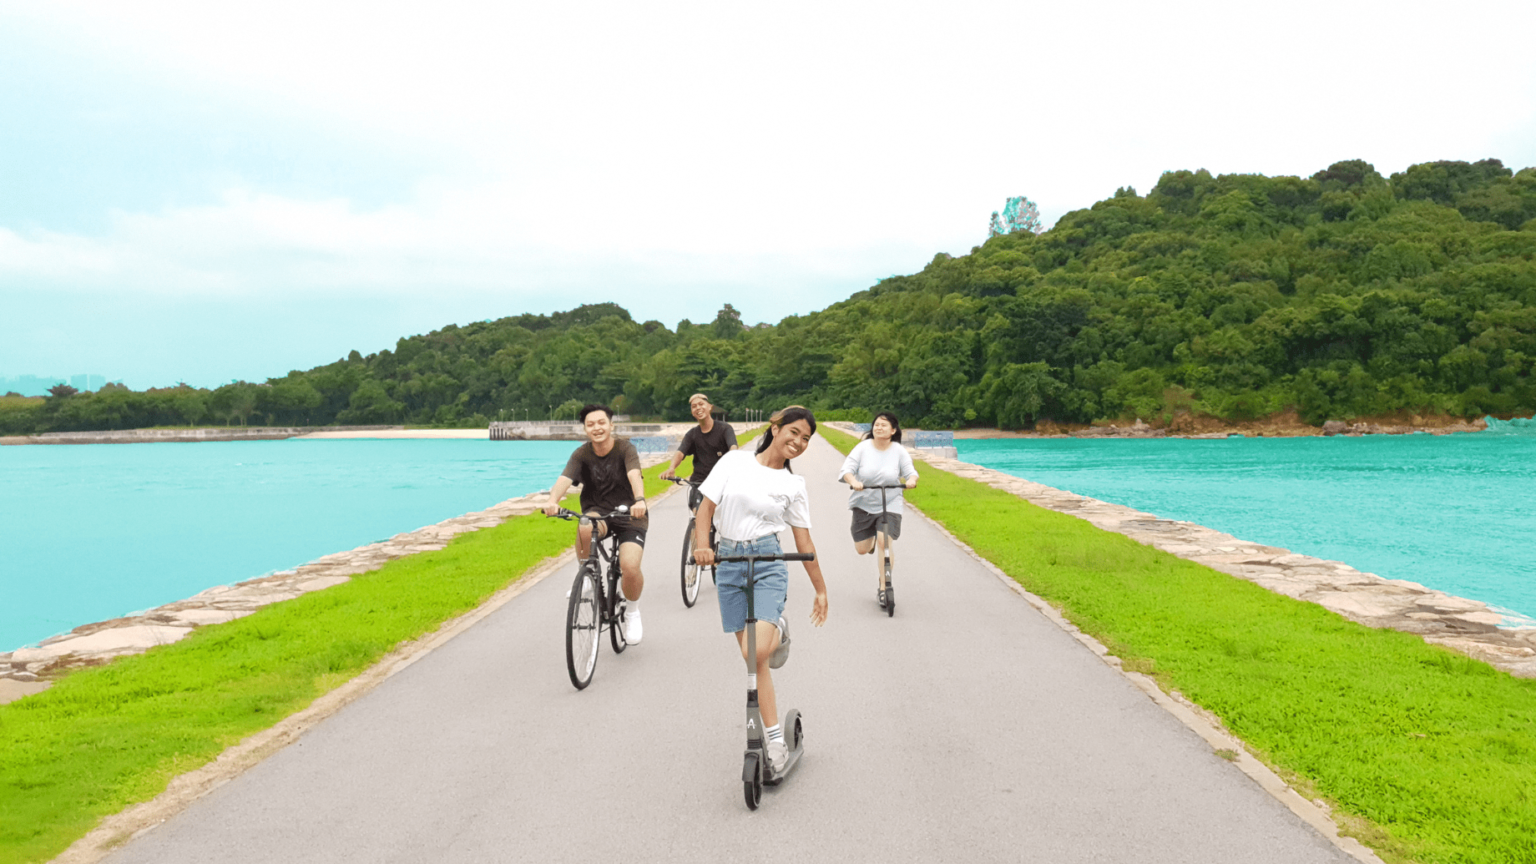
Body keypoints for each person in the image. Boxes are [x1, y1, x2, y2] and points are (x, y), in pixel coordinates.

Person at [694, 405, 829, 776]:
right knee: (753, 659)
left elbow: (804, 541)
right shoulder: (734, 462)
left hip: (768, 561)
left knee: (755, 651)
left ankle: (778, 631)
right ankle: (774, 737)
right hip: (728, 562)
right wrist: (702, 546)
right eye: (794, 432)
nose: (798, 442)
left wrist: (820, 589)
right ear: (776, 427)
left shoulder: (793, 485)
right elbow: (705, 510)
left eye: (805, 439)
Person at [542, 404, 649, 644]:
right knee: (584, 524)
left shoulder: (625, 448)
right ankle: (588, 574)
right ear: (585, 429)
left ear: (611, 425)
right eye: (590, 425)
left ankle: (632, 612)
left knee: (630, 566)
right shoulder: (581, 454)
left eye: (601, 423)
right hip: (599, 513)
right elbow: (565, 478)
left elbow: (634, 474)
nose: (597, 428)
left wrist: (640, 499)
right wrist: (552, 501)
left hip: (630, 514)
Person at [838, 411, 918, 607]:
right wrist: (854, 481)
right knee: (862, 549)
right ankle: (872, 539)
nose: (879, 428)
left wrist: (911, 480)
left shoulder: (899, 451)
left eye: (884, 425)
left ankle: (884, 587)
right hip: (864, 503)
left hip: (890, 502)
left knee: (885, 542)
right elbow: (847, 470)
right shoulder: (862, 448)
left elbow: (911, 472)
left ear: (893, 430)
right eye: (876, 424)